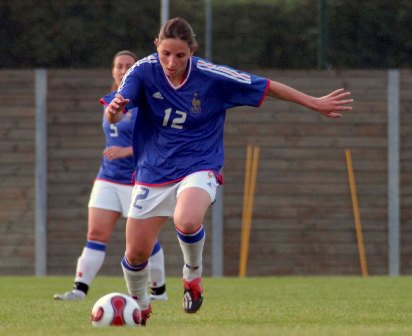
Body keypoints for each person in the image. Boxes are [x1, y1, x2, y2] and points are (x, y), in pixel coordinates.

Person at [101, 17, 353, 325]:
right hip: (153, 169)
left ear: (192, 50)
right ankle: (139, 307)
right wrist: (114, 112)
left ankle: (192, 276)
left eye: (180, 55)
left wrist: (313, 102)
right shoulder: (143, 70)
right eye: (166, 53)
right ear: (157, 46)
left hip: (199, 163)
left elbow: (267, 86)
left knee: (188, 219)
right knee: (136, 253)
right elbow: (115, 111)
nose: (171, 61)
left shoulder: (210, 76)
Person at [54, 50, 168, 302]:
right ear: (112, 70)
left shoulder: (146, 101)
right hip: (107, 177)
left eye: (129, 65)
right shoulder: (111, 99)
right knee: (95, 234)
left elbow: (159, 140)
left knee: (144, 240)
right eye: (119, 65)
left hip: (137, 180)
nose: (123, 69)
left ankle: (158, 292)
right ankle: (79, 290)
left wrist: (127, 150)